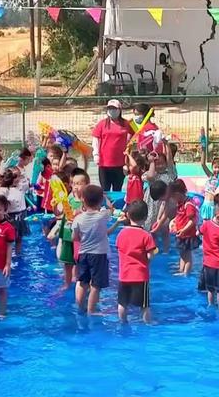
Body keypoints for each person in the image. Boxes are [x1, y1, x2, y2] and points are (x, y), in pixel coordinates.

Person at [72, 185, 112, 314]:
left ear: (83, 199)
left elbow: (75, 237)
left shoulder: (78, 219)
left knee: (82, 282)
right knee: (96, 285)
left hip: (83, 254)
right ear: (100, 200)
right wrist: (106, 199)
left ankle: (80, 308)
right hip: (99, 254)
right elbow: (111, 209)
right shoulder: (102, 216)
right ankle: (91, 311)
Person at [116, 201, 157, 324]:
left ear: (128, 215)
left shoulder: (121, 233)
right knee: (144, 305)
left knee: (122, 303)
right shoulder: (146, 235)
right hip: (140, 276)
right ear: (146, 217)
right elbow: (150, 256)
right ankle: (147, 324)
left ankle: (123, 322)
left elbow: (119, 249)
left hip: (124, 275)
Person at [92, 99, 134, 191]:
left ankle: (116, 205)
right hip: (104, 163)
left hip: (120, 164)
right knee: (105, 190)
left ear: (120, 110)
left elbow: (134, 135)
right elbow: (95, 139)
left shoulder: (126, 124)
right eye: (110, 108)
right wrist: (96, 154)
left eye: (114, 109)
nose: (112, 111)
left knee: (117, 189)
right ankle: (106, 205)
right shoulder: (102, 124)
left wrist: (128, 158)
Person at [169, 179, 199, 276]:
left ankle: (186, 273)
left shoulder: (188, 205)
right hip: (181, 234)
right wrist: (173, 221)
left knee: (187, 255)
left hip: (188, 235)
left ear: (178, 193)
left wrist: (184, 229)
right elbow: (179, 216)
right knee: (182, 254)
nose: (172, 199)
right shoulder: (180, 203)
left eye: (173, 196)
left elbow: (192, 220)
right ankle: (181, 270)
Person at [0, 168, 27, 254]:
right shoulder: (4, 190)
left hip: (22, 214)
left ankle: (18, 254)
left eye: (19, 176)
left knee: (19, 237)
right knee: (9, 238)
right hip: (10, 216)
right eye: (15, 176)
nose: (17, 178)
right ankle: (7, 255)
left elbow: (30, 181)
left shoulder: (21, 186)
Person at [199, 196, 219, 306]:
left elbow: (198, 232)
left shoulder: (206, 224)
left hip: (208, 264)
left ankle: (211, 305)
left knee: (210, 290)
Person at [200, 144, 219, 222]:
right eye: (215, 167)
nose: (217, 170)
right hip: (206, 204)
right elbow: (202, 164)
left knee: (214, 226)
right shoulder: (210, 176)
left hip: (214, 206)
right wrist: (203, 149)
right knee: (204, 226)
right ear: (212, 167)